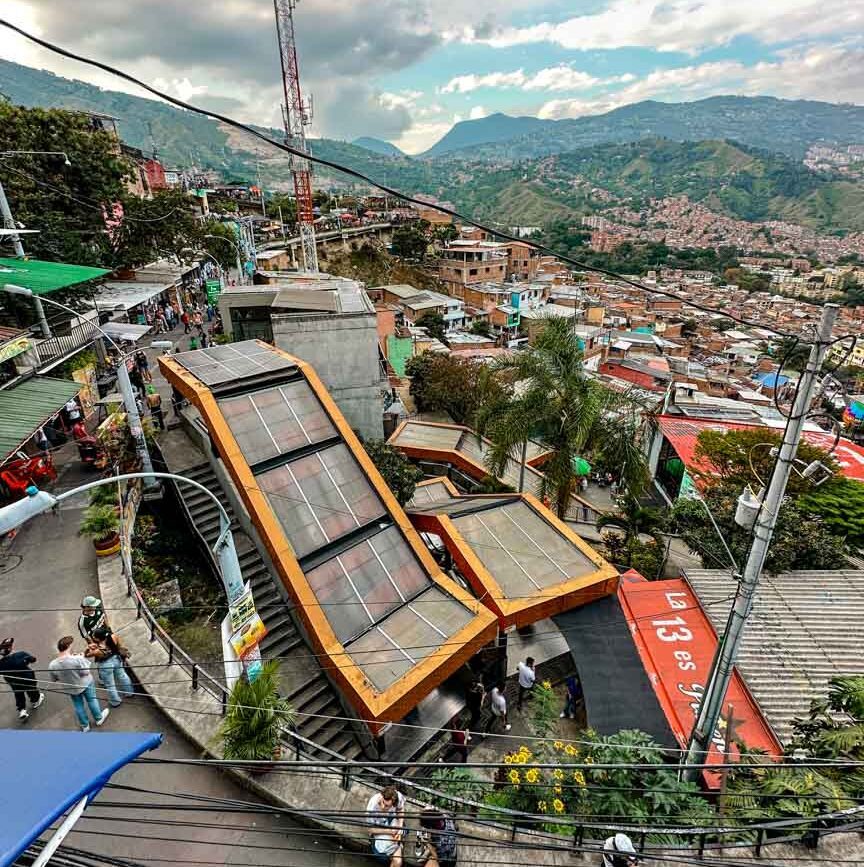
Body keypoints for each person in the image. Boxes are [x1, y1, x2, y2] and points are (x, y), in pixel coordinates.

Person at [48, 636, 109, 731]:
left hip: (71, 688)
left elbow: (54, 679)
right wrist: (81, 658)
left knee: (78, 705)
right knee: (91, 700)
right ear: (68, 646)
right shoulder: (76, 659)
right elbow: (86, 672)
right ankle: (98, 718)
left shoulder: (52, 665)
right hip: (86, 684)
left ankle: (85, 726)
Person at [87, 627, 134, 707]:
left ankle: (115, 701)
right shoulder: (113, 637)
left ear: (98, 639)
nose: (93, 637)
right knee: (122, 675)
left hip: (106, 665)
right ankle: (129, 692)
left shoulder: (98, 650)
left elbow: (87, 655)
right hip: (116, 659)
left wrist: (89, 648)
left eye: (94, 636)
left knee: (110, 684)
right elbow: (119, 646)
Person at [0, 637, 44, 721]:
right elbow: (33, 659)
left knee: (18, 694)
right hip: (27, 678)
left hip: (14, 682)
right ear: (10, 649)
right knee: (32, 689)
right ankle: (35, 701)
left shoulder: (1, 663)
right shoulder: (20, 654)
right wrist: (26, 660)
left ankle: (22, 710)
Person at [366, 785, 405, 866]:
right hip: (379, 827)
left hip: (391, 820)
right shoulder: (372, 807)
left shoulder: (399, 797)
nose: (383, 806)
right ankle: (398, 846)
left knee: (397, 861)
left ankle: (397, 845)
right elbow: (370, 829)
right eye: (383, 802)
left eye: (387, 806)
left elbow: (400, 809)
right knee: (396, 859)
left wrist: (400, 826)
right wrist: (389, 831)